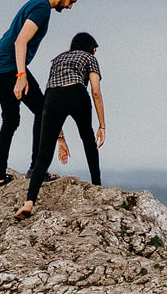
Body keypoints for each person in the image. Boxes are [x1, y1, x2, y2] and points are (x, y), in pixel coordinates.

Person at [0, 0, 81, 185]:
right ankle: (35, 169)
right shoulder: (41, 9)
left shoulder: (37, 3)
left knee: (11, 120)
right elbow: (20, 41)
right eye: (71, 1)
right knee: (43, 110)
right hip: (10, 65)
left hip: (0, 62)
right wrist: (21, 76)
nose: (69, 7)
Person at [17, 32, 105, 219]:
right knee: (88, 140)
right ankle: (97, 187)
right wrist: (102, 125)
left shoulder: (58, 59)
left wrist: (61, 139)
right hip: (77, 92)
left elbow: (53, 93)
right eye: (95, 48)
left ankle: (29, 202)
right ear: (90, 47)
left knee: (43, 155)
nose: (95, 51)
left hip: (53, 97)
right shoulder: (89, 57)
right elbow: (95, 91)